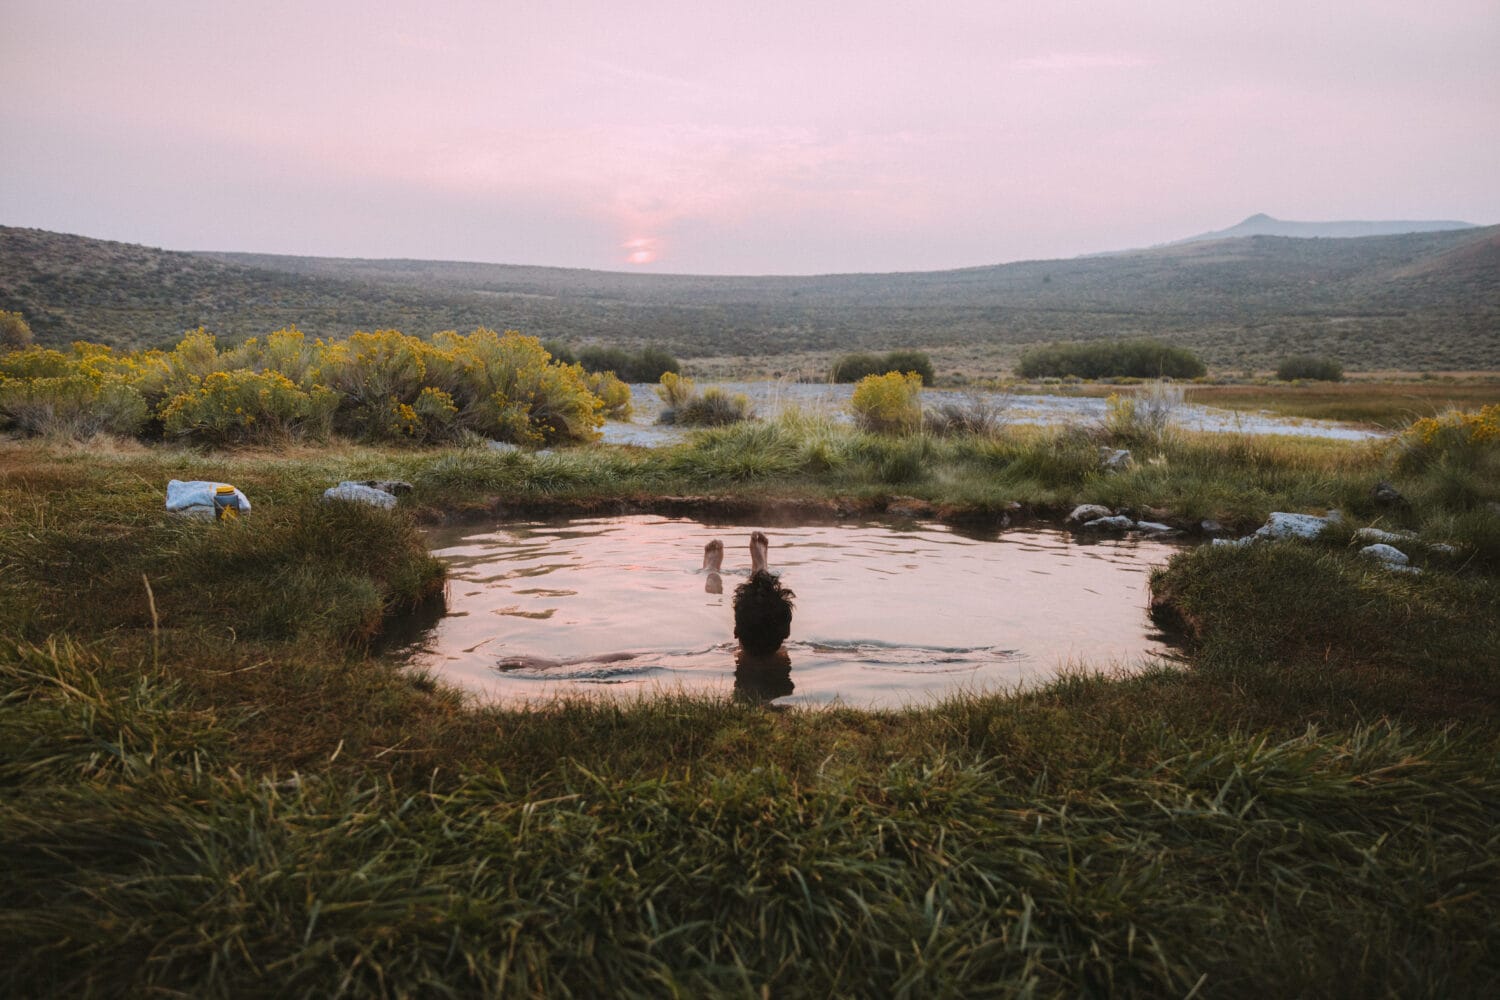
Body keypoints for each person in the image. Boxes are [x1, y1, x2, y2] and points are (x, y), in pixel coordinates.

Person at [732, 531, 795, 656]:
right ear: (787, 632)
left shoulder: (720, 652)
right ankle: (761, 571)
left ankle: (711, 571)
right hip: (777, 658)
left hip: (745, 659)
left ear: (735, 632)